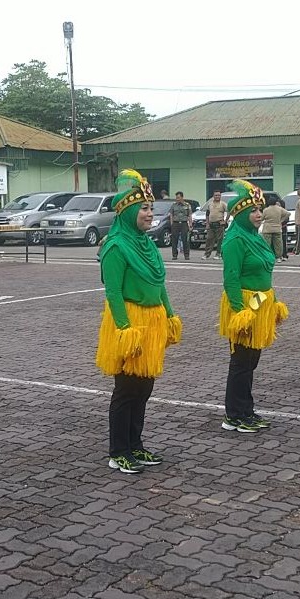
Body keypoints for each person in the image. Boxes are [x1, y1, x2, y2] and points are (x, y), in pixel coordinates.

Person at [96, 169, 182, 474]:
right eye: (144, 208)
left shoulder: (148, 246)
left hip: (153, 321)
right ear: (130, 210)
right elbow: (113, 293)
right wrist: (124, 330)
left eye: (150, 208)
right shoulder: (116, 246)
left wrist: (170, 314)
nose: (149, 213)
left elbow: (159, 283)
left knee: (144, 388)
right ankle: (118, 450)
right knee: (126, 389)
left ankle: (135, 445)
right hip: (129, 322)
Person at [219, 179, 288, 432]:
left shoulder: (255, 237)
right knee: (240, 362)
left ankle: (246, 409)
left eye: (260, 210)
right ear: (239, 214)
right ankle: (234, 415)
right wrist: (240, 312)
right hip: (244, 305)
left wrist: (274, 300)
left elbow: (265, 275)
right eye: (253, 211)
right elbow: (231, 279)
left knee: (251, 362)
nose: (258, 215)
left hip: (259, 302)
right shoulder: (235, 239)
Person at [261, 195, 290, 262]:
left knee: (267, 244)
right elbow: (288, 214)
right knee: (278, 244)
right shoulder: (279, 209)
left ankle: (267, 257)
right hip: (277, 228)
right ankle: (278, 257)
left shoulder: (266, 210)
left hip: (267, 229)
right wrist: (281, 220)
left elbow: (262, 218)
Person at [168, 191, 192, 261]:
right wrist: (172, 224)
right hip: (175, 223)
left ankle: (186, 255)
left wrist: (190, 224)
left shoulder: (187, 205)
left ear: (182, 197)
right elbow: (171, 214)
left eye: (178, 197)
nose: (177, 199)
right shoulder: (174, 205)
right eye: (176, 197)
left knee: (185, 240)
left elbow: (189, 215)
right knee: (174, 240)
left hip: (184, 223)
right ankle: (174, 255)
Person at [204, 189, 228, 259]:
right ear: (213, 196)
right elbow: (207, 214)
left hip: (219, 224)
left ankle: (218, 254)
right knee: (209, 239)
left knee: (220, 240)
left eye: (219, 195)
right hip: (211, 225)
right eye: (216, 195)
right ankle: (206, 254)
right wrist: (207, 223)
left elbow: (229, 211)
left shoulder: (223, 204)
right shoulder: (210, 204)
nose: (217, 196)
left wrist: (225, 220)